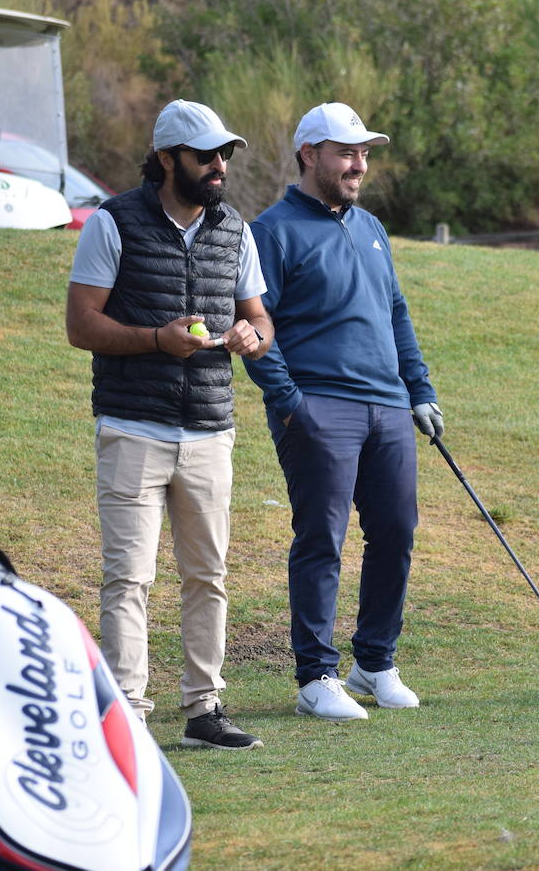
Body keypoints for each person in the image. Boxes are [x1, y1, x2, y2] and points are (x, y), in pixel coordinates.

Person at [66, 99, 274, 750]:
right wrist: (158, 339)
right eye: (204, 156)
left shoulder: (235, 229)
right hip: (132, 427)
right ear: (165, 159)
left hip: (211, 430)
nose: (218, 167)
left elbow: (262, 322)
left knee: (207, 575)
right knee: (129, 576)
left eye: (224, 156)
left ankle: (203, 709)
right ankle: (127, 710)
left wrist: (251, 335)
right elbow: (81, 325)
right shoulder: (112, 223)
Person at [244, 103, 443, 722]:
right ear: (309, 155)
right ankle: (314, 676)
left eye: (364, 153)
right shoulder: (271, 231)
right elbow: (250, 321)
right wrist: (289, 401)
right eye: (345, 153)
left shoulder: (372, 227)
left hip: (387, 405)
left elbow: (397, 312)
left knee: (395, 533)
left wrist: (420, 389)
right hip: (318, 405)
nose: (358, 164)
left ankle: (374, 662)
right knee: (321, 538)